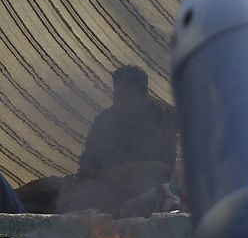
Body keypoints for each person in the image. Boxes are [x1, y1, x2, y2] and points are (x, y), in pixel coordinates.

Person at [18, 65, 178, 216]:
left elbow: (163, 169)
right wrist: (89, 171)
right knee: (36, 190)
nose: (121, 103)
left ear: (143, 95)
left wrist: (115, 175)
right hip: (88, 185)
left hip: (119, 196)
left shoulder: (162, 118)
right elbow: (87, 161)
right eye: (117, 96)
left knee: (44, 210)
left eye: (127, 97)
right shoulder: (106, 119)